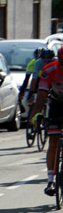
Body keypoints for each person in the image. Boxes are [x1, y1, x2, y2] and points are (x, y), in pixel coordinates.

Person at [30, 47, 63, 196]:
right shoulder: (49, 70)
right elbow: (42, 95)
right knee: (53, 140)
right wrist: (36, 115)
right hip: (56, 104)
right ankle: (51, 180)